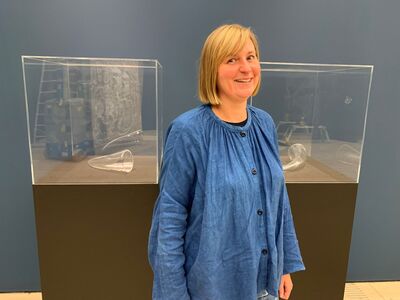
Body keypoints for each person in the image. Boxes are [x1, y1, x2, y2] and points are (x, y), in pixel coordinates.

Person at [148, 24, 305, 300]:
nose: (246, 68)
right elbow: (169, 221)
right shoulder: (189, 131)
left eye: (251, 57)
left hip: (264, 285)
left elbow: (279, 202)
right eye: (231, 59)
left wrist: (284, 267)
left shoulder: (265, 123)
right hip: (212, 289)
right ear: (212, 69)